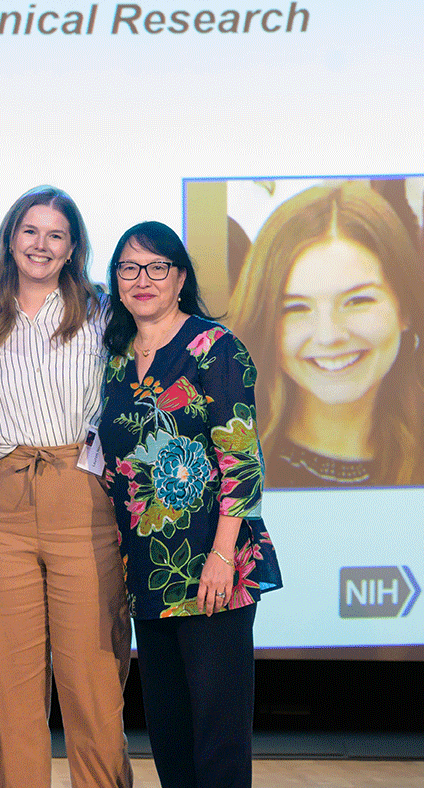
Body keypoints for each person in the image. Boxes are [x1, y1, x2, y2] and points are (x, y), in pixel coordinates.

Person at [98, 220, 282, 788]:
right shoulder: (114, 358)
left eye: (157, 267)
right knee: (171, 738)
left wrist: (223, 554)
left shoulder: (214, 347)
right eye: (129, 268)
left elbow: (241, 459)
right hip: (149, 568)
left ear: (180, 277)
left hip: (212, 564)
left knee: (218, 740)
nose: (143, 279)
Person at [0, 185, 132, 788]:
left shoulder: (103, 314)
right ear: (11, 240)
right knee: (9, 685)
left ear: (72, 249)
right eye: (30, 231)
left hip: (79, 492)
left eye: (55, 235)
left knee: (91, 678)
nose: (41, 244)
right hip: (1, 501)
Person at [227, 181, 424, 487]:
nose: (329, 335)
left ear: (405, 310)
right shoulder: (222, 458)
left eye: (358, 301)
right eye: (296, 308)